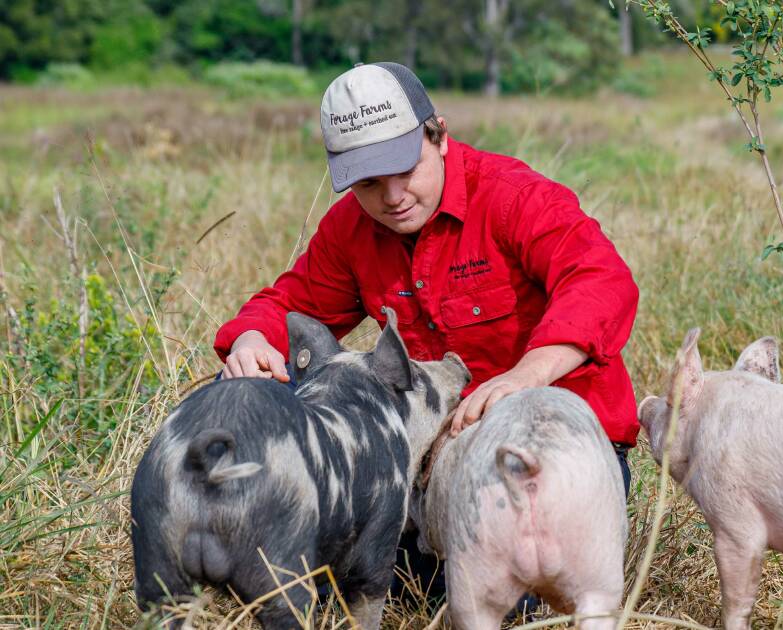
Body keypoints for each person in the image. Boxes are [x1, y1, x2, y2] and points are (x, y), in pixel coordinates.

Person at [212, 62, 639, 609]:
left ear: (438, 134)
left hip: (561, 451)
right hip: (436, 464)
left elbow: (602, 279)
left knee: (511, 596)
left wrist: (524, 376)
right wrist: (251, 339)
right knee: (351, 584)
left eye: (404, 168)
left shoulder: (514, 198)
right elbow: (288, 303)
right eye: (369, 182)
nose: (392, 197)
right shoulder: (352, 229)